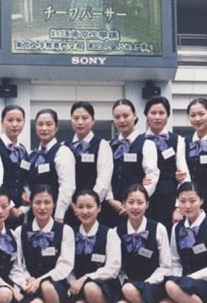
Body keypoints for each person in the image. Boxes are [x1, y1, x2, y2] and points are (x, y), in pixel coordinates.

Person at [14, 185, 75, 303]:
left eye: (47, 202)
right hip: (29, 284)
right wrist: (27, 279)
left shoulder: (65, 230)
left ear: (54, 204)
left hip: (56, 283)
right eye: (37, 202)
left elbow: (65, 264)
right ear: (31, 204)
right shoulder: (20, 231)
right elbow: (18, 263)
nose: (42, 207)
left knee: (47, 286)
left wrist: (40, 280)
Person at [114, 184, 171, 303]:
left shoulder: (158, 228)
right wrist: (126, 281)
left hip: (154, 283)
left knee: (131, 289)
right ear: (123, 204)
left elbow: (166, 265)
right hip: (129, 284)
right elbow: (116, 267)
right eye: (130, 202)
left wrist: (149, 282)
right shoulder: (116, 232)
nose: (135, 207)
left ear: (147, 204)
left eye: (140, 202)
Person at [67, 190, 121, 303]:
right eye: (80, 207)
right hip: (77, 287)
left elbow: (113, 268)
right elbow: (67, 265)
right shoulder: (70, 234)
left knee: (90, 287)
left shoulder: (110, 233)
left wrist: (86, 278)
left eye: (89, 206)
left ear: (99, 208)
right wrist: (73, 283)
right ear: (74, 208)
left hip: (105, 286)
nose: (85, 211)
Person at [104, 99, 159, 228]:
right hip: (113, 208)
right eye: (117, 117)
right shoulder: (107, 146)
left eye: (126, 116)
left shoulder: (147, 144)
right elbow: (105, 176)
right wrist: (110, 199)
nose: (122, 120)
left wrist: (136, 202)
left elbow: (152, 175)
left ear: (134, 116)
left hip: (138, 209)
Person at [142, 96, 190, 232]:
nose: (157, 117)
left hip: (169, 201)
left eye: (161, 113)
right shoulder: (139, 140)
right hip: (145, 201)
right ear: (146, 115)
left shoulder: (177, 140)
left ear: (168, 116)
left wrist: (178, 207)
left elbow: (184, 175)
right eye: (153, 113)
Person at [63, 101, 113, 226]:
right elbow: (61, 179)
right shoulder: (64, 146)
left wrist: (89, 205)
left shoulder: (102, 145)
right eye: (76, 118)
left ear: (93, 120)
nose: (80, 122)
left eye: (85, 118)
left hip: (95, 210)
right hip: (70, 208)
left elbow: (104, 180)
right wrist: (71, 204)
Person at [0, 104, 30, 229]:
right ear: (2, 122)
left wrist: (25, 195)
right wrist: (10, 207)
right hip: (1, 210)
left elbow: (24, 178)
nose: (15, 124)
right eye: (10, 120)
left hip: (20, 211)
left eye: (19, 120)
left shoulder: (23, 149)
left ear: (24, 122)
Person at [27, 109, 75, 222]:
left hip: (55, 215)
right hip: (34, 215)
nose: (44, 128)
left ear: (56, 127)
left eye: (49, 124)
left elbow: (67, 187)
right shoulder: (32, 155)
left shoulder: (62, 152)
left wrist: (59, 215)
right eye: (40, 124)